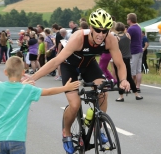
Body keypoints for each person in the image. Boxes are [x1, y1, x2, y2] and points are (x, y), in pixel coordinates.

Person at [30, 8, 130, 153]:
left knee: (103, 91)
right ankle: (67, 132)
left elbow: (120, 64)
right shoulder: (78, 38)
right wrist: (33, 78)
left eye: (105, 31)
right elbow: (56, 61)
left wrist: (124, 80)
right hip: (69, 66)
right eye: (98, 30)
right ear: (91, 28)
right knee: (75, 104)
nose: (101, 34)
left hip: (89, 65)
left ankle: (97, 127)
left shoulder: (110, 40)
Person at [0, 56, 80, 153]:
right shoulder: (27, 89)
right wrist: (66, 88)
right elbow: (48, 91)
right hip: (16, 139)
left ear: (5, 72)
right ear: (23, 72)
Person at [114, 22, 143, 102]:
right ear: (124, 28)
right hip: (127, 58)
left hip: (119, 59)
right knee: (129, 77)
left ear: (116, 29)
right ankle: (136, 94)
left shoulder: (116, 38)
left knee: (120, 77)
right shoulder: (128, 35)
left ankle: (121, 96)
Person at [127, 13, 143, 92]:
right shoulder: (139, 27)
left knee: (132, 70)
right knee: (138, 69)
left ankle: (131, 85)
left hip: (133, 50)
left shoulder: (131, 29)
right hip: (139, 49)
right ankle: (138, 85)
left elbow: (128, 39)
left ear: (129, 20)